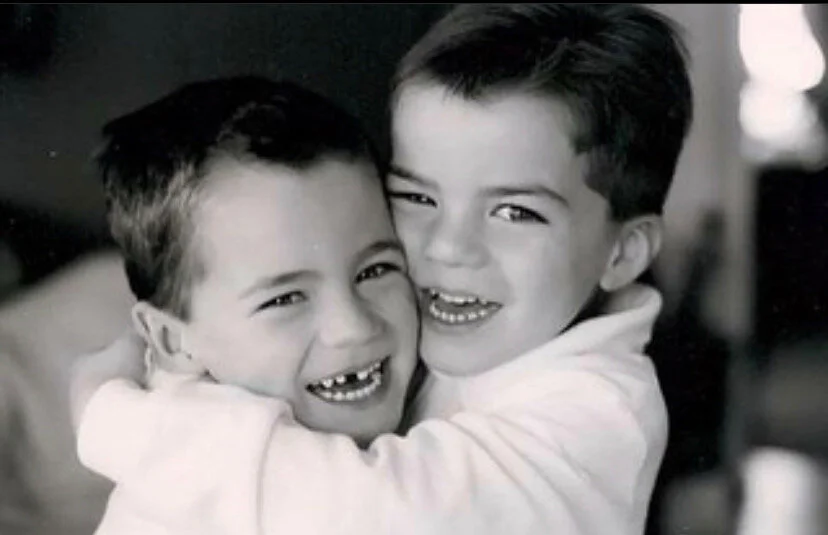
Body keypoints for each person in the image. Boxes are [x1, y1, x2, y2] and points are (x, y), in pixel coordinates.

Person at [72, 4, 694, 534]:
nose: (449, 248)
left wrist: (112, 418)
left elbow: (376, 513)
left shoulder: (598, 416)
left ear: (623, 252)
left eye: (513, 211)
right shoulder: (445, 341)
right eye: (418, 198)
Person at [71, 75, 420, 533]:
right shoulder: (218, 451)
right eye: (285, 298)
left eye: (375, 271)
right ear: (171, 340)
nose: (353, 327)